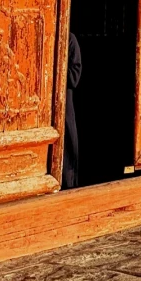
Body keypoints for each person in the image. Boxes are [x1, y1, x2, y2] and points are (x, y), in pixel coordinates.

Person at [62, 31, 82, 188]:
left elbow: (75, 75)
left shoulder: (69, 39)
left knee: (68, 139)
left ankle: (68, 182)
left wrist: (57, 68)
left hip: (64, 99)